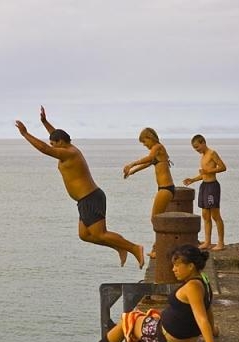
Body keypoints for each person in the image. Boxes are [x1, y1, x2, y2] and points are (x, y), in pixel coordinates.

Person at [15, 106, 144, 268]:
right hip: (85, 200)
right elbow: (56, 135)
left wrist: (25, 134)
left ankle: (134, 248)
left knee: (100, 234)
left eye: (54, 143)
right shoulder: (66, 147)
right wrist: (45, 122)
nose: (53, 146)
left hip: (90, 198)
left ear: (61, 143)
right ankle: (119, 246)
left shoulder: (69, 153)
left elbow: (44, 149)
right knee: (84, 235)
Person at [79, 244, 231, 342]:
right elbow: (207, 307)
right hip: (185, 336)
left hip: (168, 339)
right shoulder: (203, 279)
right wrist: (213, 330)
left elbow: (201, 317)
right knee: (145, 315)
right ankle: (111, 338)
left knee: (128, 319)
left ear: (191, 266)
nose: (173, 269)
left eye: (177, 265)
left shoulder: (192, 287)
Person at [123, 127, 175, 258]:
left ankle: (159, 248)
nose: (145, 145)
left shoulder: (157, 146)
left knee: (155, 219)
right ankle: (160, 246)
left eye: (144, 142)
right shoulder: (157, 150)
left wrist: (131, 164)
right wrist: (133, 171)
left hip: (165, 189)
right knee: (159, 219)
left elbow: (150, 157)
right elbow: (150, 162)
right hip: (165, 189)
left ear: (150, 138)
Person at [183, 134, 227, 251]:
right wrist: (192, 179)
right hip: (204, 186)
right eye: (194, 148)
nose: (196, 150)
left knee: (215, 215)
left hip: (213, 186)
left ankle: (221, 243)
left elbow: (223, 167)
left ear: (203, 143)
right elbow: (204, 174)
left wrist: (209, 170)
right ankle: (207, 242)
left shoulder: (212, 153)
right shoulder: (202, 156)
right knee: (205, 215)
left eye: (197, 147)